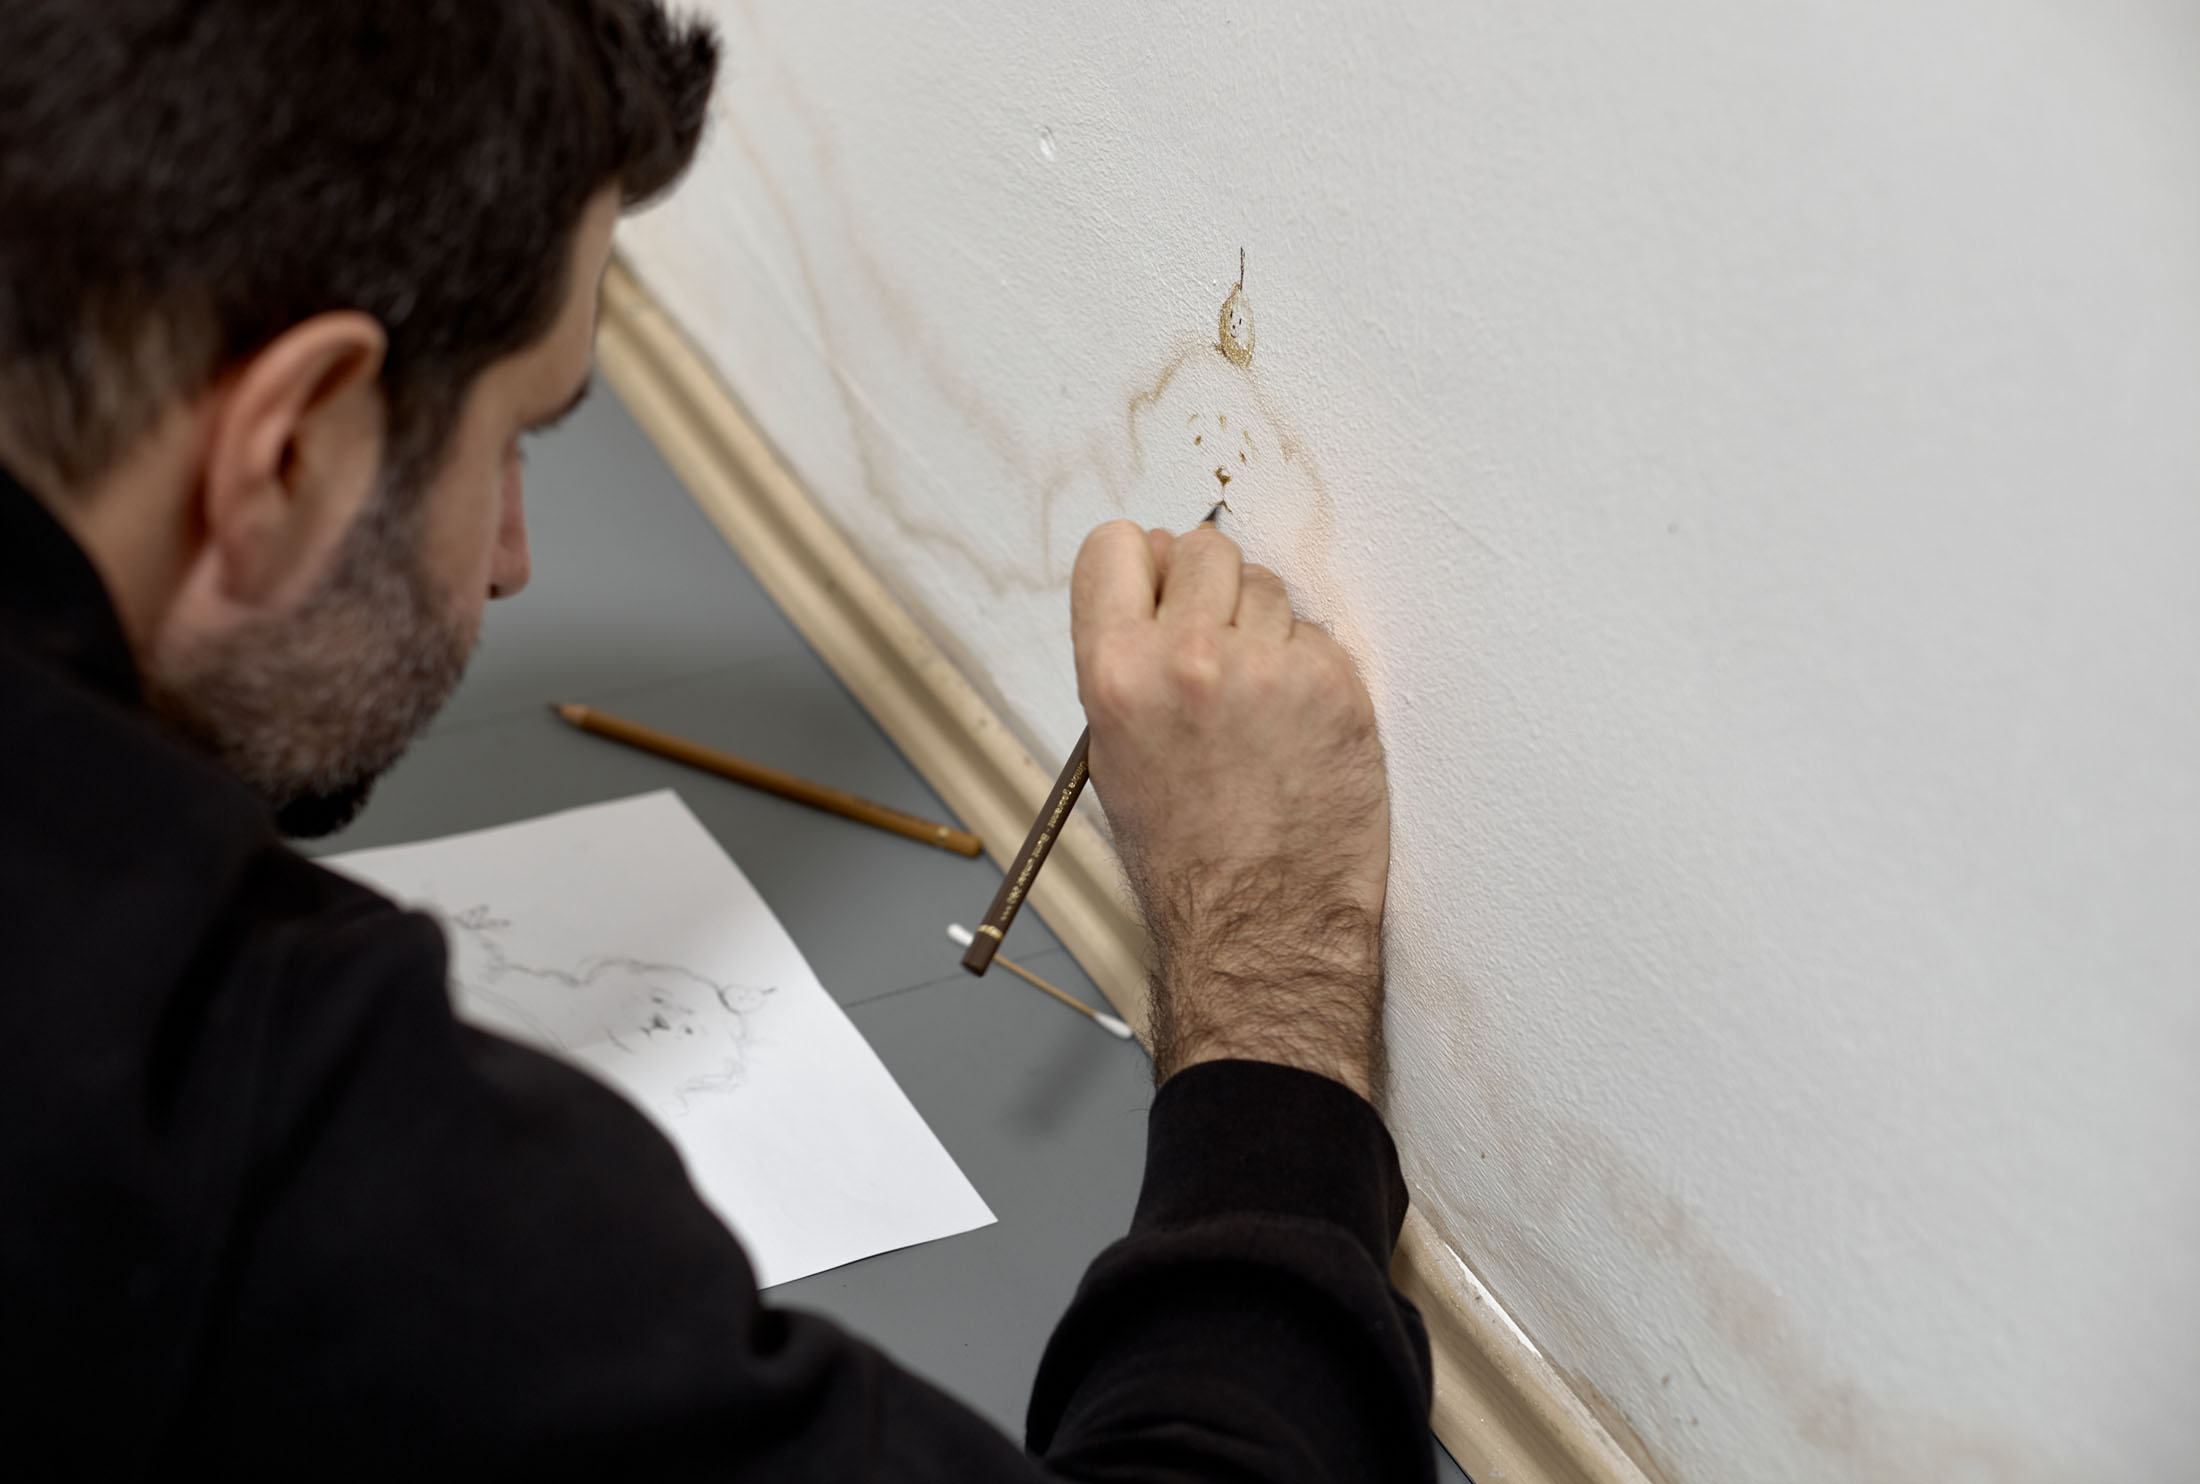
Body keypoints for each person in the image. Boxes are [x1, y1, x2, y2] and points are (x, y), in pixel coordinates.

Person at [0, 3, 1433, 1477]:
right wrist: (1269, 978)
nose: (511, 561)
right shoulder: (225, 1110)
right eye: (517, 439)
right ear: (289, 445)